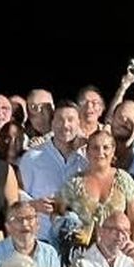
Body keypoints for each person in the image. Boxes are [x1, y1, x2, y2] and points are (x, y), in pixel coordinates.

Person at [58, 129, 134, 249]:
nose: (100, 152)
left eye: (106, 147)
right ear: (87, 151)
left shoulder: (124, 179)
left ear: (113, 151)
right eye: (95, 148)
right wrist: (70, 229)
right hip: (82, 252)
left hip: (117, 250)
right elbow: (57, 212)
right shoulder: (75, 182)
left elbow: (133, 220)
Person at [18, 101, 87, 243]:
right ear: (52, 123)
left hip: (76, 241)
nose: (65, 125)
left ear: (78, 123)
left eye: (70, 120)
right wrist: (35, 204)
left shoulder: (85, 161)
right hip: (41, 239)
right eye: (60, 120)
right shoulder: (32, 157)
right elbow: (16, 196)